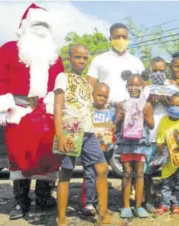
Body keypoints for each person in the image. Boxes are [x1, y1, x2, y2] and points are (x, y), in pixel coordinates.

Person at [0, 3, 64, 220]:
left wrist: (56, 109)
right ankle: (21, 201)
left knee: (46, 155)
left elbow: (59, 85)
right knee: (18, 156)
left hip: (46, 112)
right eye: (37, 24)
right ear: (25, 25)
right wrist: (4, 106)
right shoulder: (8, 49)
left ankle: (44, 197)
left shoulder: (54, 55)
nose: (41, 28)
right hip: (17, 110)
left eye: (45, 25)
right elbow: (0, 79)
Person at [54, 45, 116, 226]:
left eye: (84, 58)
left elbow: (92, 108)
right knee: (66, 172)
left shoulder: (88, 84)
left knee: (102, 168)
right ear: (69, 58)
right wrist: (60, 133)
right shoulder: (62, 77)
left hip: (88, 132)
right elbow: (58, 106)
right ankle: (62, 219)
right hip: (70, 130)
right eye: (78, 57)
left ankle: (103, 216)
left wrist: (106, 127)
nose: (81, 61)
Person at [116, 70, 154, 219]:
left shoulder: (147, 105)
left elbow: (151, 125)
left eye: (137, 85)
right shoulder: (122, 104)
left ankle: (138, 206)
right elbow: (115, 125)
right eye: (131, 85)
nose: (134, 88)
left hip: (140, 142)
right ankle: (125, 206)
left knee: (139, 173)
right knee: (126, 172)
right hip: (126, 142)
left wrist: (145, 115)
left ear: (143, 86)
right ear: (126, 87)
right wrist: (118, 118)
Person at [154, 93, 179, 216]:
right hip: (167, 159)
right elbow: (160, 136)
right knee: (166, 182)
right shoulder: (164, 120)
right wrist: (160, 146)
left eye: (178, 105)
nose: (175, 107)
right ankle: (165, 204)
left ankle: (177, 204)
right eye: (172, 104)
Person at [143, 56, 174, 213]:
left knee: (169, 170)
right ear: (150, 71)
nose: (158, 73)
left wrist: (168, 102)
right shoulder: (146, 89)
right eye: (154, 70)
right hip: (150, 135)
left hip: (169, 137)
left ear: (166, 71)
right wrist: (151, 102)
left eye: (161, 70)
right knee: (147, 170)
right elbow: (141, 110)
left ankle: (167, 200)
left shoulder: (172, 88)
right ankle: (148, 199)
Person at [86, 23, 145, 104]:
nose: (121, 39)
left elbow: (144, 88)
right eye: (117, 37)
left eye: (124, 37)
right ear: (110, 39)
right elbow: (89, 86)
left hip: (131, 110)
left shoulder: (137, 62)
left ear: (128, 39)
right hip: (106, 110)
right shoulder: (99, 60)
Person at [81, 82, 116, 216]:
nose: (102, 98)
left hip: (104, 150)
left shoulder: (110, 113)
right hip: (89, 149)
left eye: (105, 96)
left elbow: (112, 129)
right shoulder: (87, 110)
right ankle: (88, 202)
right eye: (99, 95)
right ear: (92, 95)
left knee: (101, 175)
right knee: (89, 175)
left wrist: (112, 132)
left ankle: (100, 202)